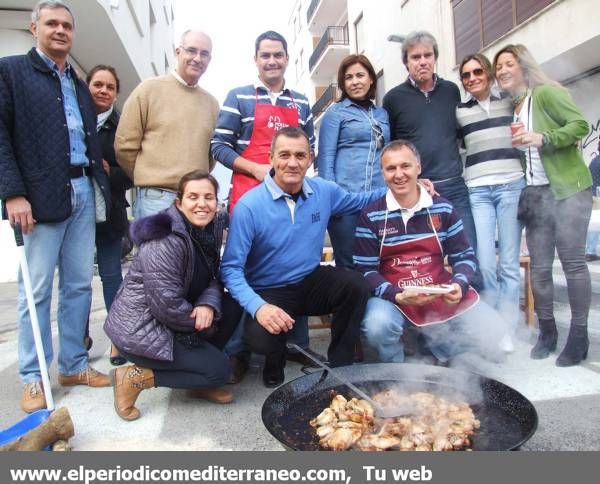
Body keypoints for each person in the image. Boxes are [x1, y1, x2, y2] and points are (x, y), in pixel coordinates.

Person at [0, 0, 112, 413]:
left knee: (80, 284)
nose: (60, 30)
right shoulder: (10, 71)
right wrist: (12, 193)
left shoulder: (78, 83)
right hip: (38, 196)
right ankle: (34, 377)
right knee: (37, 290)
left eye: (67, 25)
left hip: (82, 190)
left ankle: (73, 364)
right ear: (35, 29)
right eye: (52, 23)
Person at [220, 127, 384, 388]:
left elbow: (358, 200)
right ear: (272, 158)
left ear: (310, 159)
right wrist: (259, 307)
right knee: (261, 337)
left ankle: (340, 366)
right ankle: (274, 363)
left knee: (355, 285)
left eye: (300, 155)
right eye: (284, 155)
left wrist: (405, 186)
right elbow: (230, 269)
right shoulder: (249, 206)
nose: (292, 163)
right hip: (269, 289)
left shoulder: (324, 191)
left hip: (309, 280)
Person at [211, 31, 316, 377]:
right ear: (256, 60)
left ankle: (293, 342)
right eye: (265, 55)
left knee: (293, 263)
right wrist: (257, 168)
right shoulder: (238, 96)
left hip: (289, 195)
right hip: (249, 193)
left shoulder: (300, 102)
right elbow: (218, 146)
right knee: (246, 269)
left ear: (287, 59)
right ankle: (238, 349)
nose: (272, 61)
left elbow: (308, 148)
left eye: (278, 55)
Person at [104, 171, 243, 421]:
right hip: (142, 330)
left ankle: (198, 374)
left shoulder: (207, 229)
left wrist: (207, 305)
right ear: (179, 202)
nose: (202, 204)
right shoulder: (164, 239)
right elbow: (166, 304)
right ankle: (133, 379)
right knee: (221, 371)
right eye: (193, 197)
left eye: (208, 197)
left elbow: (214, 276)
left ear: (216, 202)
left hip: (174, 320)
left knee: (230, 305)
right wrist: (204, 327)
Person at [354, 141, 504, 364]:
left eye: (405, 166)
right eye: (390, 168)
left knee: (492, 328)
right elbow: (364, 270)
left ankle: (446, 359)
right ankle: (397, 371)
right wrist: (395, 294)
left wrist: (459, 284)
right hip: (394, 295)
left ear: (418, 168)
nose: (399, 174)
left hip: (438, 288)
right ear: (383, 174)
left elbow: (464, 257)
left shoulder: (443, 208)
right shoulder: (370, 216)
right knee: (378, 325)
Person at [494, 44, 592, 366]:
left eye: (508, 64)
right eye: (499, 67)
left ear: (522, 66)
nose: (502, 71)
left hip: (567, 190)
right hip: (536, 195)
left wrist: (542, 138)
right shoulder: (516, 105)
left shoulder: (546, 93)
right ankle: (547, 333)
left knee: (573, 264)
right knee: (538, 270)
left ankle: (578, 337)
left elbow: (580, 125)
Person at [382, 31, 478, 254]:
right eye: (415, 57)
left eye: (427, 55)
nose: (423, 61)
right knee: (425, 259)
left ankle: (471, 289)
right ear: (406, 63)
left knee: (467, 251)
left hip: (455, 187)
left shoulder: (451, 91)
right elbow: (393, 148)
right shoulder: (393, 99)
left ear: (435, 58)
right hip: (417, 190)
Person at [456, 53, 525, 352]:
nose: (472, 79)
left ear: (487, 72)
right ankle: (494, 327)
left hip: (511, 184)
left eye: (477, 72)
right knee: (485, 264)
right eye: (466, 75)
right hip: (478, 190)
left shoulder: (509, 100)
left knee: (509, 263)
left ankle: (507, 329)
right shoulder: (459, 111)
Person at [115, 30, 219, 219]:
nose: (197, 58)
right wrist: (148, 176)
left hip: (196, 202)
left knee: (192, 250)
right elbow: (125, 145)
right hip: (155, 198)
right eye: (191, 51)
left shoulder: (212, 104)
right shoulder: (148, 90)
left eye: (204, 54)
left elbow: (211, 155)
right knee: (157, 250)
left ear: (209, 60)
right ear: (178, 52)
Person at [316, 54, 390, 268]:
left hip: (380, 200)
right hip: (346, 204)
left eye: (360, 75)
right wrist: (333, 202)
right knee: (349, 264)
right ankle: (352, 303)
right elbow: (326, 159)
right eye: (349, 77)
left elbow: (388, 153)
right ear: (343, 83)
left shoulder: (382, 114)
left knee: (380, 262)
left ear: (371, 80)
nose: (355, 81)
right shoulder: (335, 113)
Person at [86, 64, 132, 366]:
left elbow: (131, 172)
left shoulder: (122, 127)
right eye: (97, 85)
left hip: (111, 211)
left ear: (116, 92)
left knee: (112, 276)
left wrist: (109, 172)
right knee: (75, 281)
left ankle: (117, 340)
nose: (103, 91)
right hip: (73, 210)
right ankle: (80, 335)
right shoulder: (75, 119)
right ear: (87, 86)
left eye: (109, 87)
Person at [585, 141, 600, 261]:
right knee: (596, 225)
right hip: (597, 196)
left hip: (593, 194)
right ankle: (590, 251)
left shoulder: (594, 161)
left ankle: (590, 251)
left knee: (594, 224)